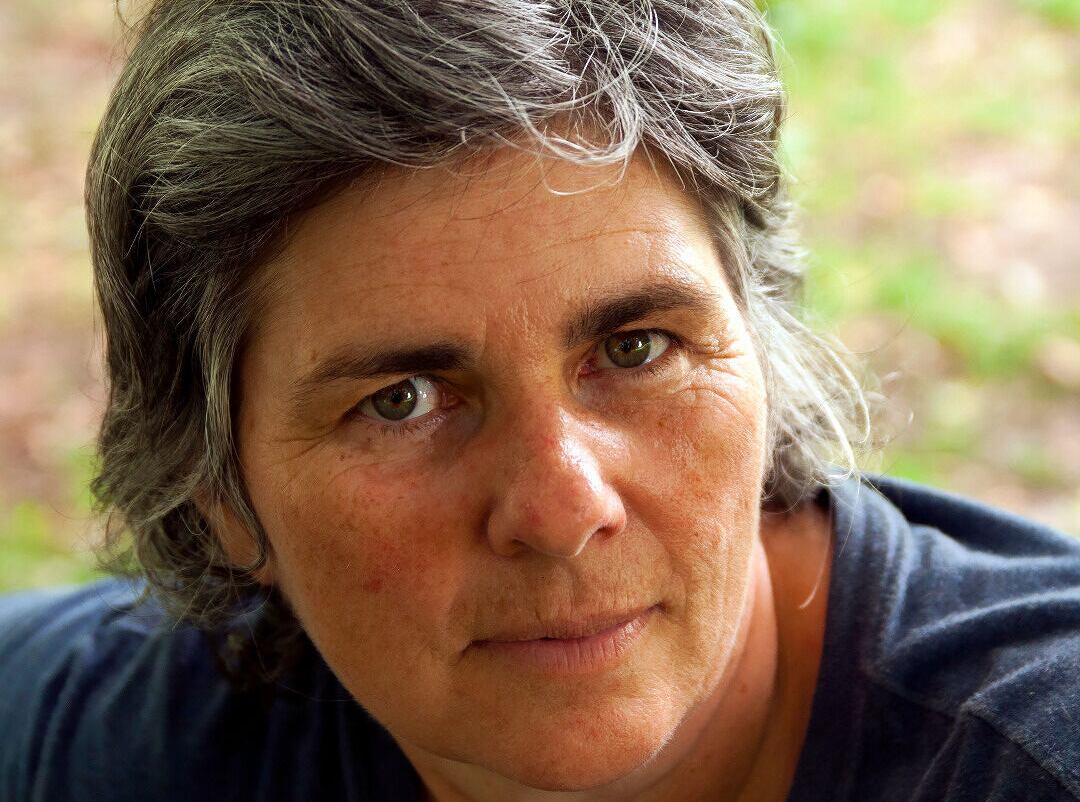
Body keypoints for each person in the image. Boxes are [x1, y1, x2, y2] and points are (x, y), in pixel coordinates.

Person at [1, 1, 1078, 800]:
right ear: (217, 498)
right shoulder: (133, 742)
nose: (562, 508)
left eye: (638, 346)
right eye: (402, 400)